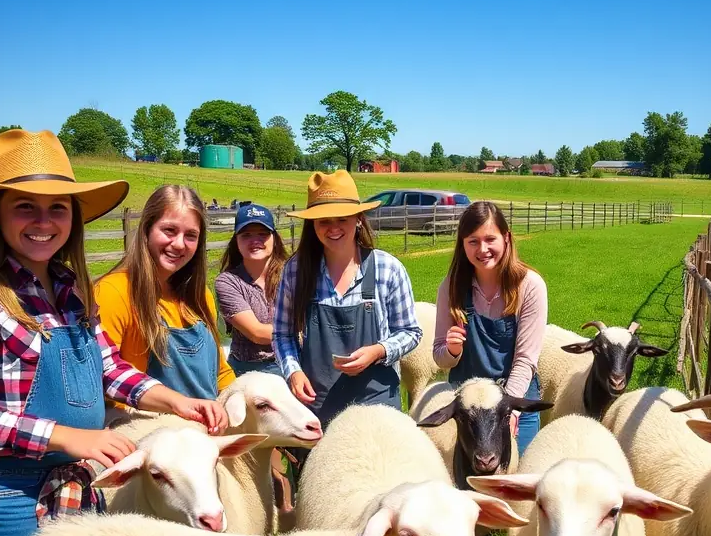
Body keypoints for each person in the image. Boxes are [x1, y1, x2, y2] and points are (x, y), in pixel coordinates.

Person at [0, 130, 226, 536]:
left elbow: (108, 368)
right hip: (7, 499)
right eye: (26, 206)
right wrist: (70, 437)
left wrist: (176, 401)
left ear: (73, 217)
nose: (44, 222)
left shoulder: (69, 289)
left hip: (73, 488)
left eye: (58, 207)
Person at [273, 170, 421, 439]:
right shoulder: (296, 271)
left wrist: (378, 350)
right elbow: (282, 334)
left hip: (377, 405)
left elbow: (410, 332)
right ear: (312, 225)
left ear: (358, 219)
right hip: (318, 403)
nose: (334, 228)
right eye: (323, 221)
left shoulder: (388, 268)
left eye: (342, 218)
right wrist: (293, 372)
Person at [95, 185, 234, 401]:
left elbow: (220, 373)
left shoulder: (199, 295)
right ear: (147, 230)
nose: (179, 244)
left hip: (207, 420)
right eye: (169, 230)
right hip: (143, 421)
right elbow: (102, 381)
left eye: (191, 235)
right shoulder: (114, 292)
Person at [433, 201, 548, 454]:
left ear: (506, 238)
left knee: (519, 474)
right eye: (473, 241)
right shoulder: (451, 287)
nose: (482, 249)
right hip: (470, 415)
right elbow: (439, 357)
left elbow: (525, 360)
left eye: (490, 239)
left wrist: (509, 412)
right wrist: (452, 351)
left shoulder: (529, 286)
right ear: (462, 244)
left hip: (515, 405)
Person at [215, 202, 287, 376]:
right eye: (246, 235)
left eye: (263, 234)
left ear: (274, 239)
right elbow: (257, 333)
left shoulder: (292, 275)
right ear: (236, 241)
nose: (255, 241)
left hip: (292, 361)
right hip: (249, 368)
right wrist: (299, 333)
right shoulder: (228, 282)